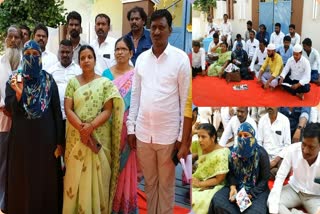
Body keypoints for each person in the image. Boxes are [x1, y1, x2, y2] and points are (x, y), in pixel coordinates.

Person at [126, 9, 190, 214]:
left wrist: (182, 139)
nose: (156, 31)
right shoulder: (142, 59)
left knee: (166, 186)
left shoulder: (180, 59)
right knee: (150, 183)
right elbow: (135, 96)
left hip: (169, 137)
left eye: (161, 27)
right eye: (153, 27)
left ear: (170, 30)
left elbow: (185, 101)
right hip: (144, 134)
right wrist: (131, 128)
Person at [62, 45, 124, 213]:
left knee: (99, 179)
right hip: (77, 138)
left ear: (95, 60)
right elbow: (68, 109)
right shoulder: (73, 82)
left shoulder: (104, 83)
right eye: (82, 58)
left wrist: (91, 126)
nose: (86, 60)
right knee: (74, 179)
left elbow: (108, 110)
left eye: (89, 57)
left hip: (98, 138)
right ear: (79, 61)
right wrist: (82, 129)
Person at [5, 40, 63, 213]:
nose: (31, 58)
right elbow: (9, 109)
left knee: (43, 178)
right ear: (23, 56)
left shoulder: (48, 80)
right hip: (22, 141)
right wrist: (19, 93)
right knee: (23, 178)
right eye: (28, 54)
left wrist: (60, 142)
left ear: (41, 56)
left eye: (35, 54)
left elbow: (56, 112)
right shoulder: (15, 79)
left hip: (45, 141)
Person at [102, 37, 137, 214]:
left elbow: (140, 103)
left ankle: (122, 208)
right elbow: (102, 103)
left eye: (124, 49)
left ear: (131, 52)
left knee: (125, 169)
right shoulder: (106, 74)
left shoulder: (136, 76)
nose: (119, 52)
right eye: (117, 49)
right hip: (108, 130)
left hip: (128, 129)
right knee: (108, 168)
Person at [210, 122, 270, 214]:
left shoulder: (261, 154)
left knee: (255, 212)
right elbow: (231, 174)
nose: (242, 138)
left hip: (257, 190)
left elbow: (264, 179)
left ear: (253, 137)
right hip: (238, 186)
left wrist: (250, 194)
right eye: (240, 135)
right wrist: (233, 187)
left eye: (246, 135)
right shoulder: (234, 154)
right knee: (218, 200)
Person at [268, 123, 320, 214]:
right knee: (272, 203)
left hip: (315, 196)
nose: (305, 150)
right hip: (294, 189)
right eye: (303, 144)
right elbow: (280, 177)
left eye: (311, 147)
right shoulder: (292, 150)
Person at [0, 25, 22, 213]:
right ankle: (2, 202)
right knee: (3, 164)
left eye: (17, 38)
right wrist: (4, 106)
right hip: (3, 120)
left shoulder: (25, 62)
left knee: (18, 164)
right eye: (10, 37)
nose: (14, 41)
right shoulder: (0, 63)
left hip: (23, 123)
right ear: (6, 39)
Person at [192, 123, 230, 213]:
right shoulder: (199, 145)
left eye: (203, 137)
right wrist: (192, 132)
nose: (200, 140)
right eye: (198, 136)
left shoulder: (222, 153)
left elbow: (219, 179)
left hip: (214, 185)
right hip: (196, 180)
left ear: (213, 138)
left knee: (197, 200)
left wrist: (200, 184)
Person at [47, 39, 82, 123]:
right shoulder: (51, 71)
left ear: (72, 53)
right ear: (59, 52)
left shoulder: (79, 70)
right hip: (55, 116)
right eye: (62, 52)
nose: (65, 55)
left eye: (67, 52)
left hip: (74, 115)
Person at [257, 107, 291, 180]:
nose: (269, 107)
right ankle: (272, 174)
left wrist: (276, 161)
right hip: (265, 156)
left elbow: (287, 145)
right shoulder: (262, 120)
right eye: (267, 104)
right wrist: (264, 160)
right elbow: (259, 142)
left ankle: (267, 174)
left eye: (272, 104)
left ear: (278, 105)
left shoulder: (285, 120)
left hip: (279, 157)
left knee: (285, 166)